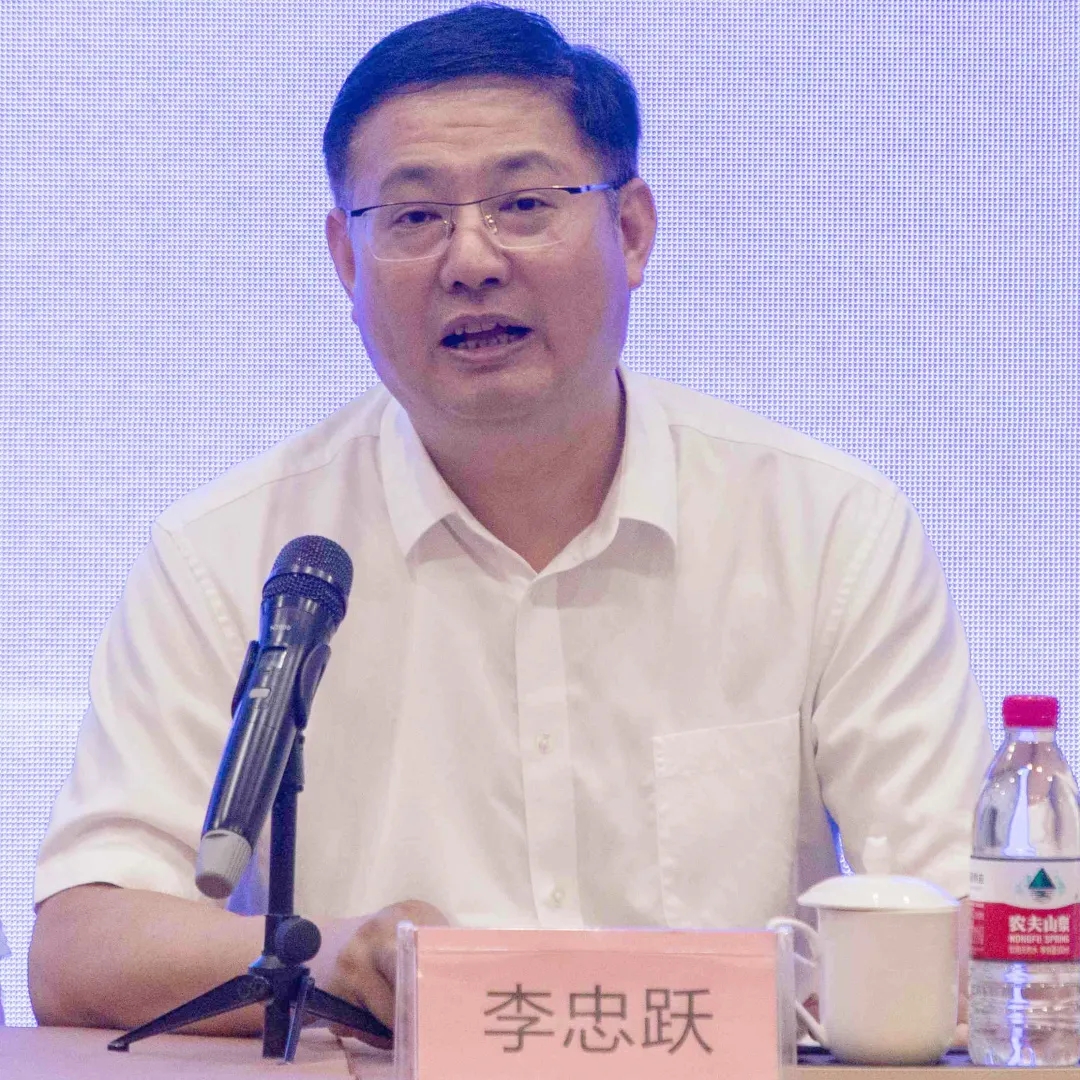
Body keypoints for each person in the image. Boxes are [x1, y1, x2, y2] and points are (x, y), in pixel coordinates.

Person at [29, 2, 991, 1043]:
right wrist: (340, 958)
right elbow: (82, 950)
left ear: (631, 231)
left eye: (525, 204)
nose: (472, 260)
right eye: (414, 218)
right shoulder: (235, 555)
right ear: (346, 261)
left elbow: (968, 927)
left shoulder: (827, 530)